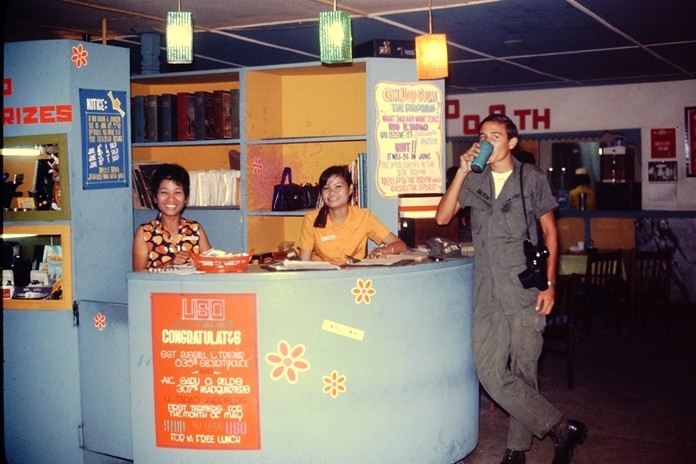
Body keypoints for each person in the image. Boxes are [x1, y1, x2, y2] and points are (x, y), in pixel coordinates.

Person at [435, 114, 587, 464]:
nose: (487, 141)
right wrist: (460, 171)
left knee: (523, 368)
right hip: (486, 288)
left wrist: (549, 286)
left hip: (523, 287)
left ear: (512, 142)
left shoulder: (530, 178)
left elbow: (550, 232)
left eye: (496, 135)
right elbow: (443, 217)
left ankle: (516, 450)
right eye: (482, 135)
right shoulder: (476, 179)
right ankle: (561, 427)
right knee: (488, 370)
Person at [297, 165, 407, 263]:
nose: (332, 192)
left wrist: (383, 250)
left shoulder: (363, 217)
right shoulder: (311, 219)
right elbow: (303, 263)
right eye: (326, 188)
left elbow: (400, 245)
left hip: (355, 278)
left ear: (350, 190)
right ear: (321, 194)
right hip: (324, 278)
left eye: (338, 186)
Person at [132, 163, 212, 271]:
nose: (171, 198)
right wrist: (169, 263)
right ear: (155, 197)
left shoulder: (195, 229)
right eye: (164, 192)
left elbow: (212, 266)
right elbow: (138, 276)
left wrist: (198, 263)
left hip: (192, 288)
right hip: (157, 288)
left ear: (185, 199)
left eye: (177, 192)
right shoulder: (145, 232)